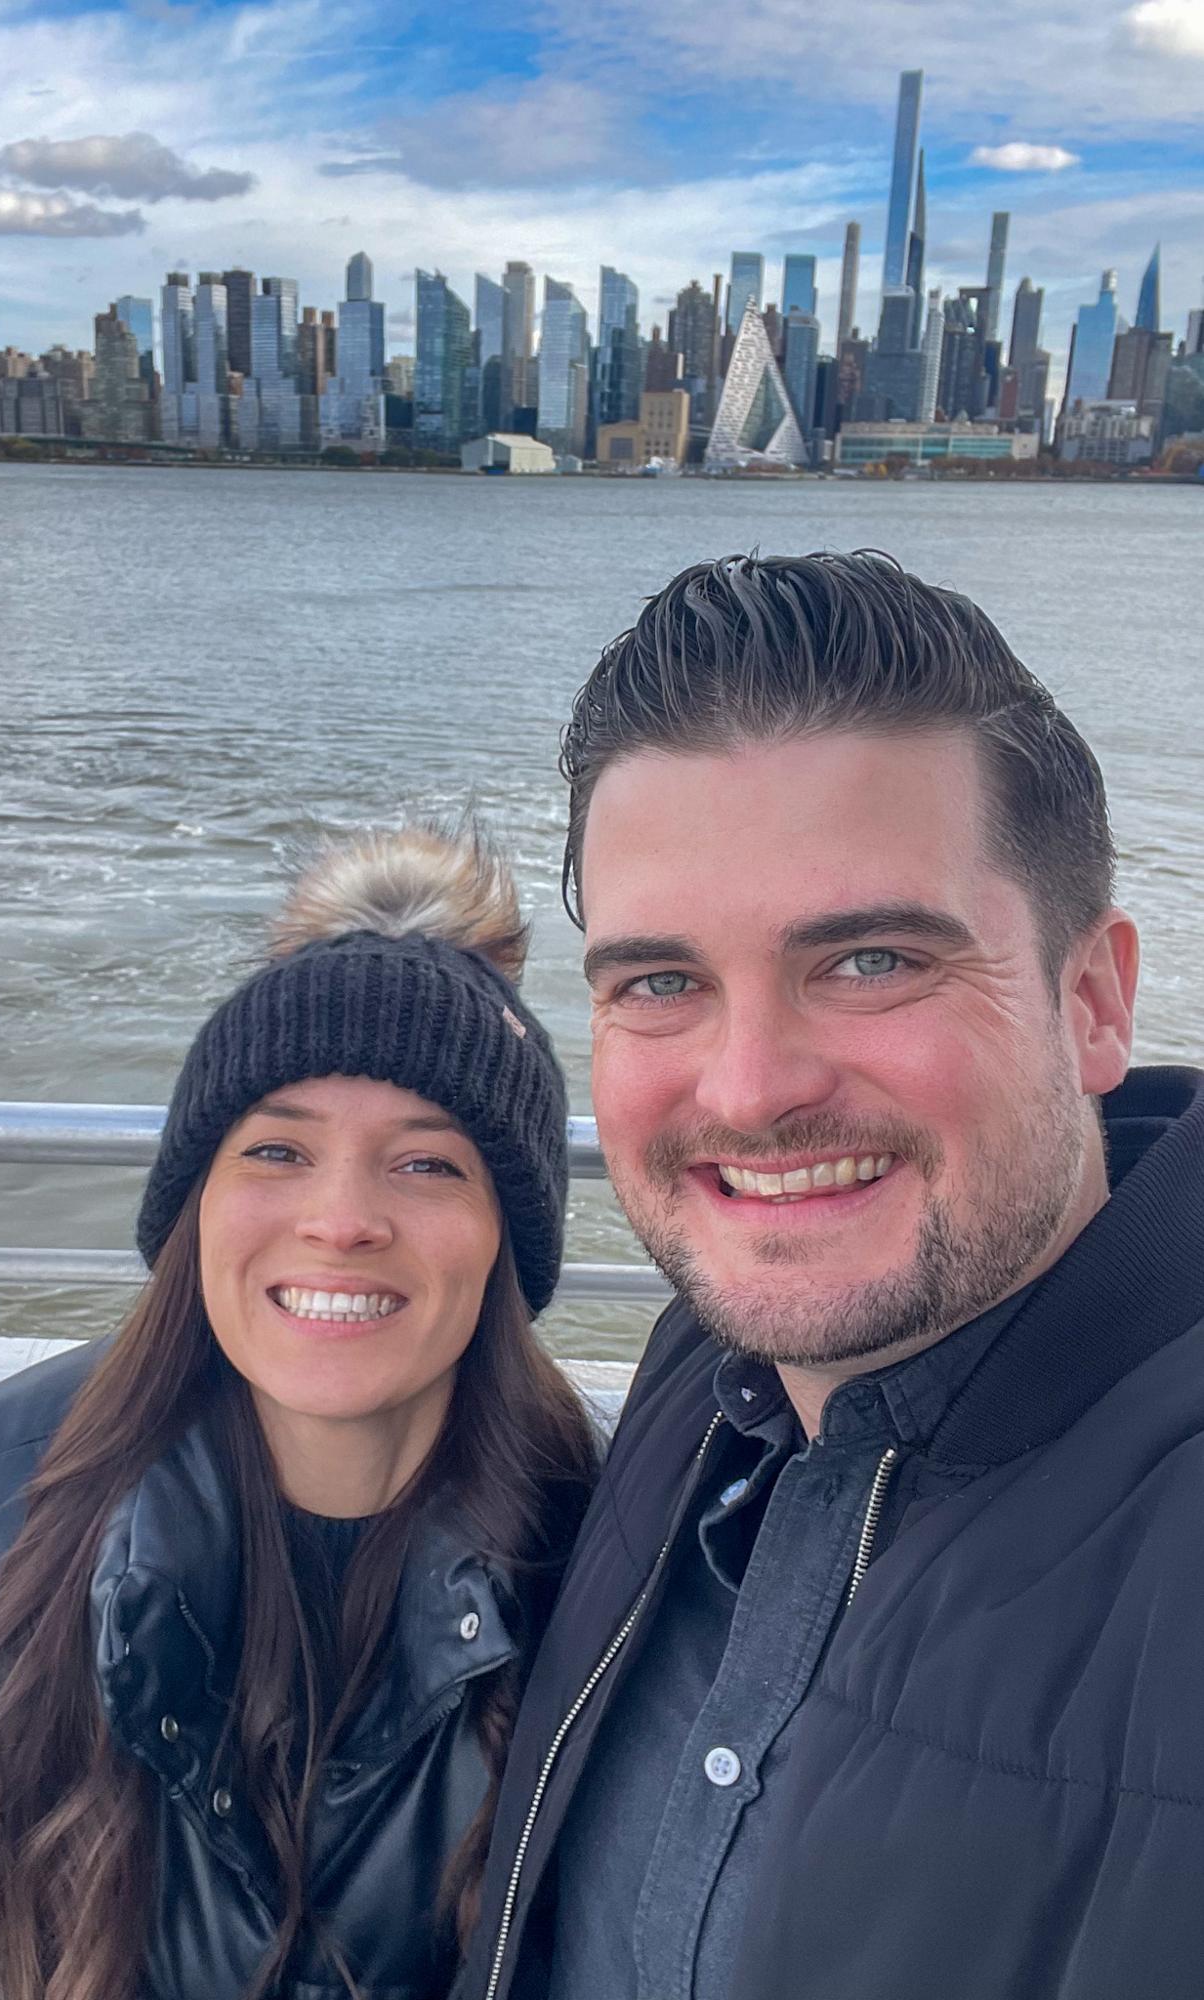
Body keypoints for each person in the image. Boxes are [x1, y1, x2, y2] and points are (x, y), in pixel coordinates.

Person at [457, 551, 1204, 2000]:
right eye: (662, 983)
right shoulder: (712, 1364)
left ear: (1094, 1001)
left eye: (868, 960)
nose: (750, 1093)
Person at [0, 824, 598, 2000]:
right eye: (276, 1148)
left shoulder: (614, 1570)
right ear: (195, 1206)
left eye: (428, 1164)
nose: (340, 1218)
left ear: (508, 1236)